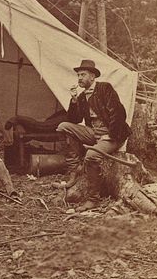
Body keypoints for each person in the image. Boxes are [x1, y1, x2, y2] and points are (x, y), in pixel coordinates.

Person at [56, 59, 131, 203]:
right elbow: (74, 120)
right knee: (63, 126)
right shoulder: (82, 96)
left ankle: (93, 199)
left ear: (92, 76)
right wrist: (73, 100)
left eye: (83, 75)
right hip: (93, 132)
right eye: (78, 75)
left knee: (91, 156)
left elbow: (119, 114)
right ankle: (74, 170)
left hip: (113, 135)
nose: (79, 78)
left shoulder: (105, 88)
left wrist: (110, 135)